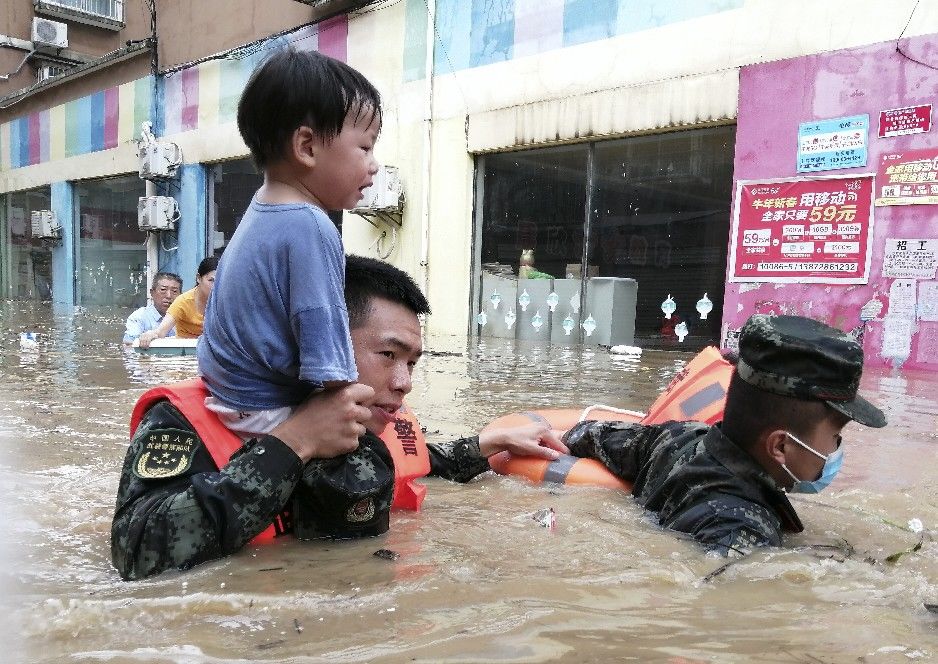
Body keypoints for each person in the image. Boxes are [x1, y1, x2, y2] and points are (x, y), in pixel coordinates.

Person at [111, 255, 566, 580]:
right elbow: (136, 551)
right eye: (388, 355)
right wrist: (293, 443)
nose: (405, 382)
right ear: (318, 341)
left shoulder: (373, 416)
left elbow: (420, 461)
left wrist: (488, 444)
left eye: (413, 362)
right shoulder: (189, 420)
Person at [562, 313, 887, 556]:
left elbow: (589, 434)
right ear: (780, 446)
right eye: (835, 436)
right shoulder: (743, 530)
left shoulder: (677, 437)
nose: (836, 450)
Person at [196, 47, 382, 447]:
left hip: (231, 396)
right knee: (369, 450)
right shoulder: (311, 224)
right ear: (307, 147)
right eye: (365, 147)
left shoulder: (261, 210)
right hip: (267, 410)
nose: (374, 164)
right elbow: (327, 348)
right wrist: (360, 401)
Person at [137, 257, 217, 347]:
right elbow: (161, 331)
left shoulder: (227, 302)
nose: (216, 285)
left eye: (220, 280)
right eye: (211, 280)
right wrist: (150, 335)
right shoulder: (183, 302)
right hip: (186, 353)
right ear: (199, 278)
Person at [122, 272, 182, 344]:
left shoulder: (185, 316)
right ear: (152, 293)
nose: (169, 296)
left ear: (181, 295)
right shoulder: (139, 316)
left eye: (174, 291)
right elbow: (128, 345)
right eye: (163, 290)